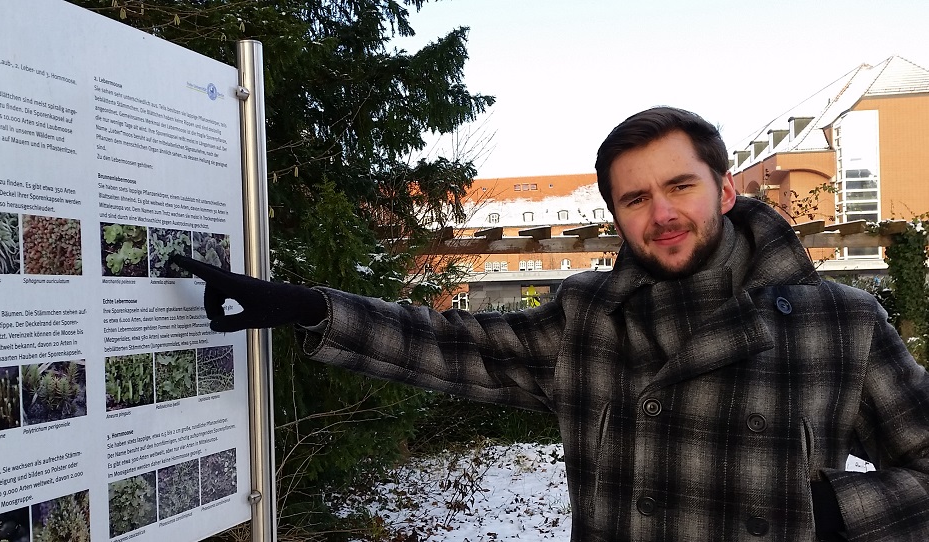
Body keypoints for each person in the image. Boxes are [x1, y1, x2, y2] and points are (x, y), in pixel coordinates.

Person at [171, 107, 929, 541]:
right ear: (615, 214)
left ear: (725, 188)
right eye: (634, 199)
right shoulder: (591, 317)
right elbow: (450, 346)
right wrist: (309, 308)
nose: (661, 213)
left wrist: (834, 515)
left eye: (680, 186)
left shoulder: (843, 323)